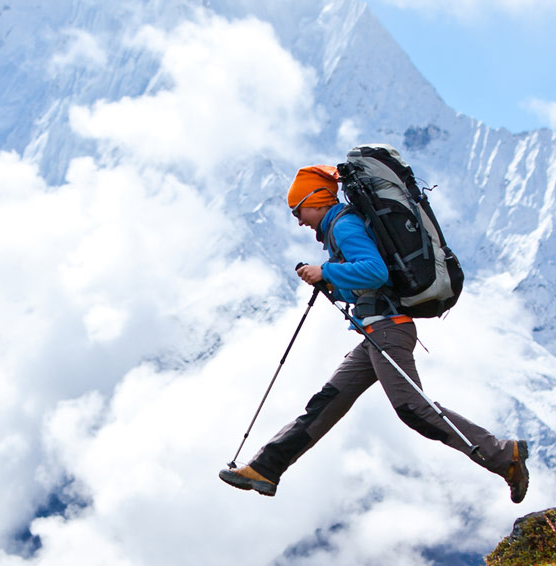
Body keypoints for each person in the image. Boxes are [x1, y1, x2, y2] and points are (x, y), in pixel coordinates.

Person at [219, 164, 530, 503]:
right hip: (374, 333)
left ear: (315, 200)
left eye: (299, 210)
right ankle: (265, 467)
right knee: (325, 405)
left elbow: (374, 272)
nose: (298, 220)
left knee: (412, 408)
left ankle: (504, 455)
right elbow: (365, 281)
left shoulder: (344, 225)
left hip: (386, 331)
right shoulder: (341, 226)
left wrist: (325, 270)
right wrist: (330, 280)